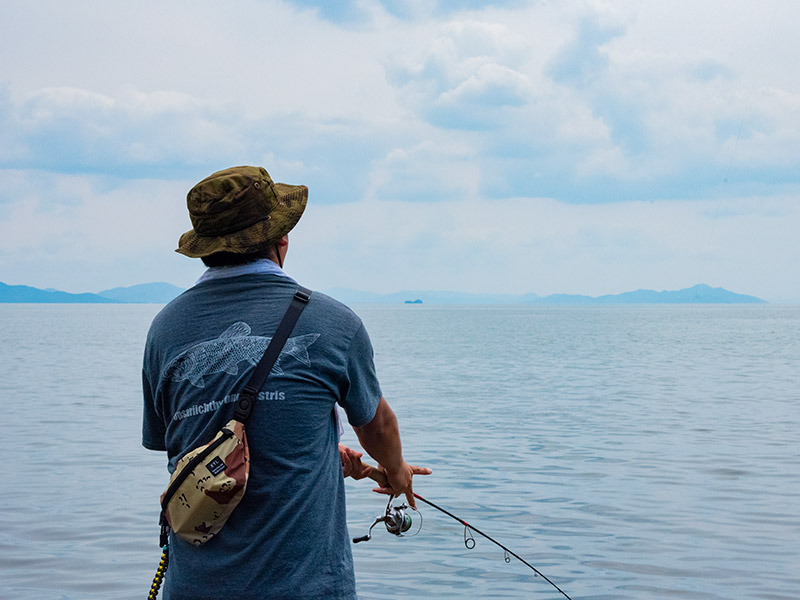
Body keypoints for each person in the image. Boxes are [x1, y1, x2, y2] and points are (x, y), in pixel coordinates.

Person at [142, 165, 430, 600]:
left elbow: (185, 443)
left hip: (194, 587)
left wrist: (313, 447)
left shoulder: (164, 330)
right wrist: (396, 470)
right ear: (282, 239)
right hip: (306, 587)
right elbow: (378, 427)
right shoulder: (332, 322)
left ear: (205, 249)